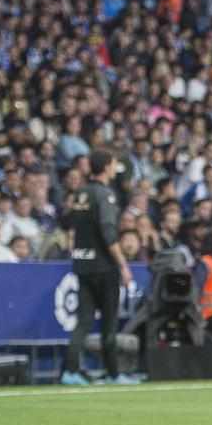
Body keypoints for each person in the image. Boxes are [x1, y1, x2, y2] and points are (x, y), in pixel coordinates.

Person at [61, 149, 136, 386]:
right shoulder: (104, 195)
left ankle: (70, 370)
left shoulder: (81, 193)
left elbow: (71, 227)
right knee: (109, 323)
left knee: (83, 320)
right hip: (103, 267)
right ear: (105, 167)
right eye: (114, 164)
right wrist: (123, 266)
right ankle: (113, 373)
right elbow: (108, 233)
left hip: (83, 264)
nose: (115, 169)